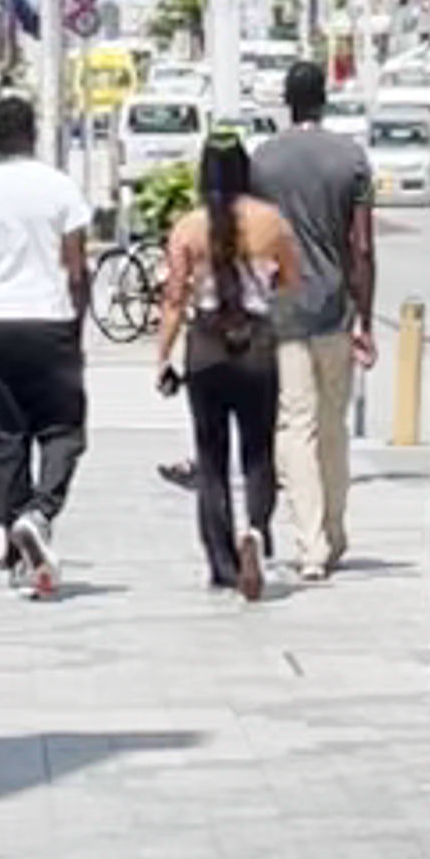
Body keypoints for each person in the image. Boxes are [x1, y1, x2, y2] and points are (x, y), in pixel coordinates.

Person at [0, 89, 92, 594]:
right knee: (63, 431)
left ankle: (17, 541)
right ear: (32, 135)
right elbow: (77, 269)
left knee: (3, 438)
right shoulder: (59, 188)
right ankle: (39, 512)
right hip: (49, 322)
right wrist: (76, 329)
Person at [156, 133, 303, 598]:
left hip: (206, 345)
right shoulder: (271, 222)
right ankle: (256, 531)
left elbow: (174, 300)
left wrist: (162, 356)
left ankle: (221, 562)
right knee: (258, 452)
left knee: (212, 456)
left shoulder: (187, 228)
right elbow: (292, 284)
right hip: (256, 342)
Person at [249, 50, 377, 578]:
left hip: (283, 312)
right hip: (334, 310)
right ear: (323, 101)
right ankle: (336, 527)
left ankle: (310, 545)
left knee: (294, 423)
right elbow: (362, 247)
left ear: (286, 103)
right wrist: (365, 317)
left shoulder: (262, 162)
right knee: (333, 425)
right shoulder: (350, 159)